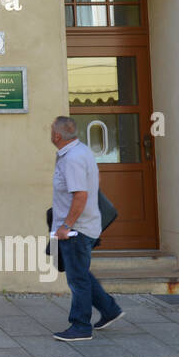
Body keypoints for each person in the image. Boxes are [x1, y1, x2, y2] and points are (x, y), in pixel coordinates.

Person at [49, 116, 123, 340]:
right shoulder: (80, 151)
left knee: (77, 279)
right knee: (81, 273)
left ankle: (81, 326)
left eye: (51, 130)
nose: (50, 133)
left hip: (76, 230)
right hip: (84, 225)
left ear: (58, 135)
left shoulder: (72, 158)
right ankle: (109, 310)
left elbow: (80, 195)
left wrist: (66, 226)